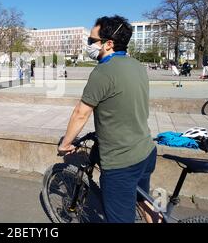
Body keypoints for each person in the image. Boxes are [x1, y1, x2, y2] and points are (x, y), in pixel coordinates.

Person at [58, 15, 158, 223]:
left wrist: (65, 143)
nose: (88, 45)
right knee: (142, 199)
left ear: (109, 43)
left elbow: (81, 113)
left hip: (121, 161)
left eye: (91, 41)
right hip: (146, 150)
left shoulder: (103, 72)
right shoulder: (137, 65)